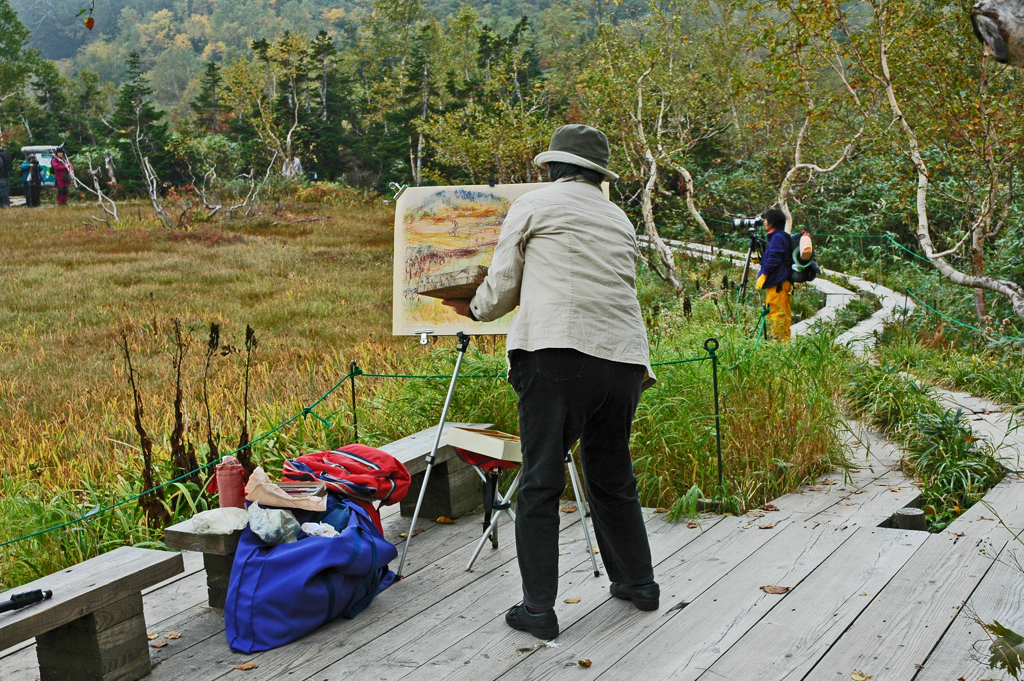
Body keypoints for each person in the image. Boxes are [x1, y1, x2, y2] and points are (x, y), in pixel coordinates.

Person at [443, 124, 659, 640]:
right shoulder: (618, 217)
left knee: (540, 481)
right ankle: (639, 584)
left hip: (558, 353)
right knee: (611, 475)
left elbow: (501, 286)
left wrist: (472, 309)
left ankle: (538, 610)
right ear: (596, 174)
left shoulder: (535, 205)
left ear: (554, 168)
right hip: (625, 360)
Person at [755, 208, 794, 340]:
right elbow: (777, 257)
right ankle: (782, 344)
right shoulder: (779, 236)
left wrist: (764, 274)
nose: (764, 222)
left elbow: (775, 258)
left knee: (777, 315)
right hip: (780, 283)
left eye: (766, 220)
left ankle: (778, 345)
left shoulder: (777, 237)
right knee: (778, 313)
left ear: (771, 223)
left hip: (779, 284)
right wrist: (761, 261)